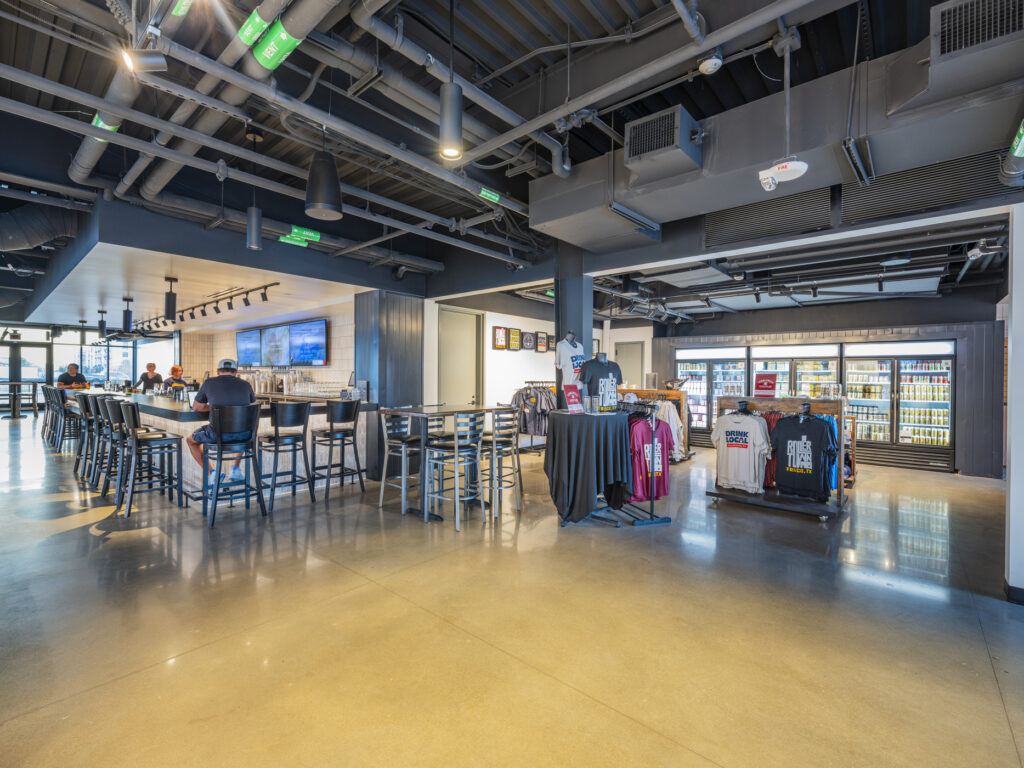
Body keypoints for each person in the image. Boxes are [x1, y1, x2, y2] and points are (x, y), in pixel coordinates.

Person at [186, 358, 256, 484]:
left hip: (217, 434)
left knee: (190, 440)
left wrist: (213, 407)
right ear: (236, 372)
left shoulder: (208, 383)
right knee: (239, 426)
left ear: (218, 371)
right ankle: (235, 468)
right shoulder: (246, 384)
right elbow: (253, 406)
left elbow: (197, 407)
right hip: (245, 435)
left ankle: (212, 473)